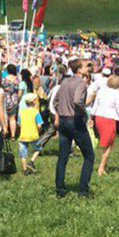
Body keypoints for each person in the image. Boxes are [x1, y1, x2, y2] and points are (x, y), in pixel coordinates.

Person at [51, 58, 95, 198]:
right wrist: (83, 112)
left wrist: (61, 111)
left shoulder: (65, 81)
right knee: (89, 155)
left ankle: (60, 190)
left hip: (63, 120)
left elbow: (55, 101)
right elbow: (77, 100)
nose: (88, 68)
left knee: (63, 156)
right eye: (86, 66)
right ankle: (83, 190)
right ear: (79, 69)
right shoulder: (81, 83)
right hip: (75, 120)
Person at [91, 74, 119, 176]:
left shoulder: (101, 91)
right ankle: (101, 168)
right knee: (108, 145)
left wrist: (91, 118)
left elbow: (95, 105)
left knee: (106, 143)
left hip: (99, 118)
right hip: (109, 120)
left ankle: (104, 166)